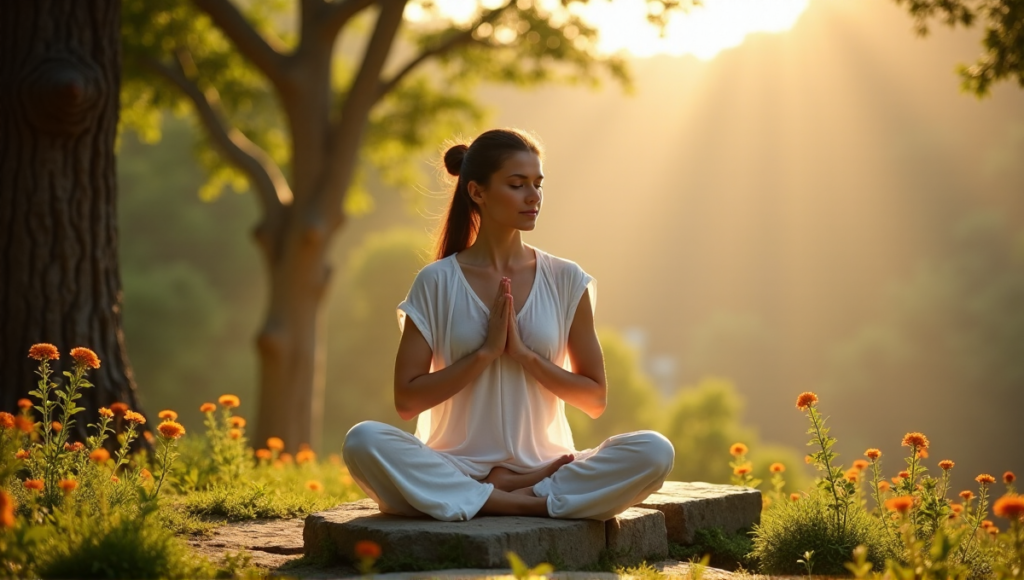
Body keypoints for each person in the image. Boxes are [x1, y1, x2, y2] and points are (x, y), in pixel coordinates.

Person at [343, 128, 674, 522]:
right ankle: (521, 502)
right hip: (454, 465)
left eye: (538, 184)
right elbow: (407, 400)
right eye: (517, 185)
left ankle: (503, 494)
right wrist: (484, 355)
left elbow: (594, 399)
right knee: (363, 440)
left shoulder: (566, 279)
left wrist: (524, 356)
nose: (533, 196)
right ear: (477, 192)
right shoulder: (436, 281)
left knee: (655, 451)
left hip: (549, 468)